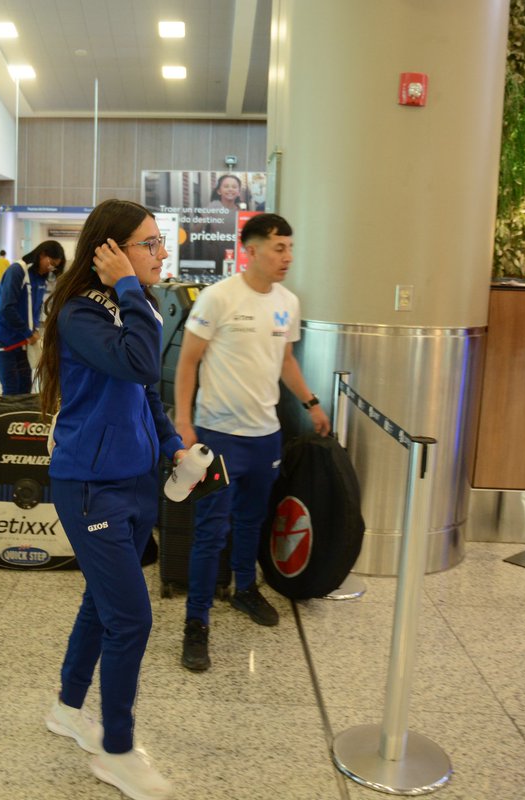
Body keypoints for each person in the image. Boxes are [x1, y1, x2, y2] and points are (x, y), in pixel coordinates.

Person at [38, 199, 185, 800]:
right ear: (112, 251)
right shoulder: (80, 314)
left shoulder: (132, 304)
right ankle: (118, 752)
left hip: (134, 480)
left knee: (102, 606)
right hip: (91, 486)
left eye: (158, 242)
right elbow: (143, 359)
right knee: (132, 618)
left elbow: (142, 389)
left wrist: (172, 444)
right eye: (149, 243)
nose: (161, 252)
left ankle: (68, 707)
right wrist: (127, 285)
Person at [174, 213, 330, 672]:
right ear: (252, 249)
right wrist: (184, 423)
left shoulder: (287, 302)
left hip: (266, 437)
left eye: (290, 248)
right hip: (218, 436)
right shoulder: (217, 297)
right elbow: (187, 364)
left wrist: (312, 403)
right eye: (279, 248)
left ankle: (244, 589)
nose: (288, 257)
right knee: (209, 531)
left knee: (251, 521)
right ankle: (196, 622)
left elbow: (285, 361)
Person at [0, 239, 65, 395]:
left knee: (25, 388)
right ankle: (9, 419)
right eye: (51, 263)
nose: (51, 268)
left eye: (55, 266)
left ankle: (23, 420)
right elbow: (6, 307)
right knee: (11, 388)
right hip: (4, 339)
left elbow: (33, 308)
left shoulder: (41, 277)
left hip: (23, 342)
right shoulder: (18, 271)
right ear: (42, 255)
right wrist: (28, 332)